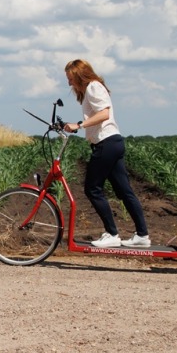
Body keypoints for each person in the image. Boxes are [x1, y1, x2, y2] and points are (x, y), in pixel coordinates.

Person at [61, 59, 151, 248]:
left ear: (79, 75)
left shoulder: (93, 86)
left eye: (70, 78)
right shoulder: (90, 89)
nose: (69, 83)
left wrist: (79, 125)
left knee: (92, 189)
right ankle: (142, 236)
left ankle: (112, 234)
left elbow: (104, 114)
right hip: (112, 142)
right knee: (124, 191)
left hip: (106, 143)